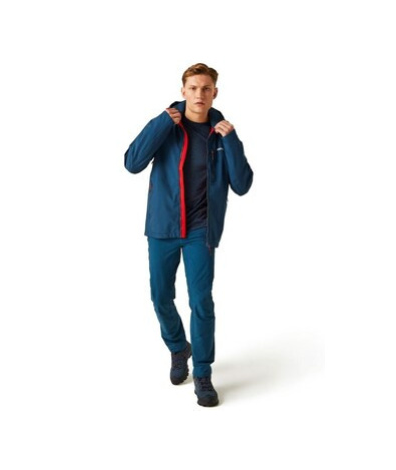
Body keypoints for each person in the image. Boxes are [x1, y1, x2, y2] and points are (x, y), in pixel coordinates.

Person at [124, 63, 253, 407]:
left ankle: (203, 373)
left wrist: (232, 140)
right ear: (183, 91)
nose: (199, 94)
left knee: (201, 301)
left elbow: (242, 184)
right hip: (163, 227)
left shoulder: (221, 133)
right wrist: (160, 123)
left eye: (206, 88)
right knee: (160, 296)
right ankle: (179, 347)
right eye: (193, 88)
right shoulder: (168, 126)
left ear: (215, 93)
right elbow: (132, 162)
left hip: (200, 231)